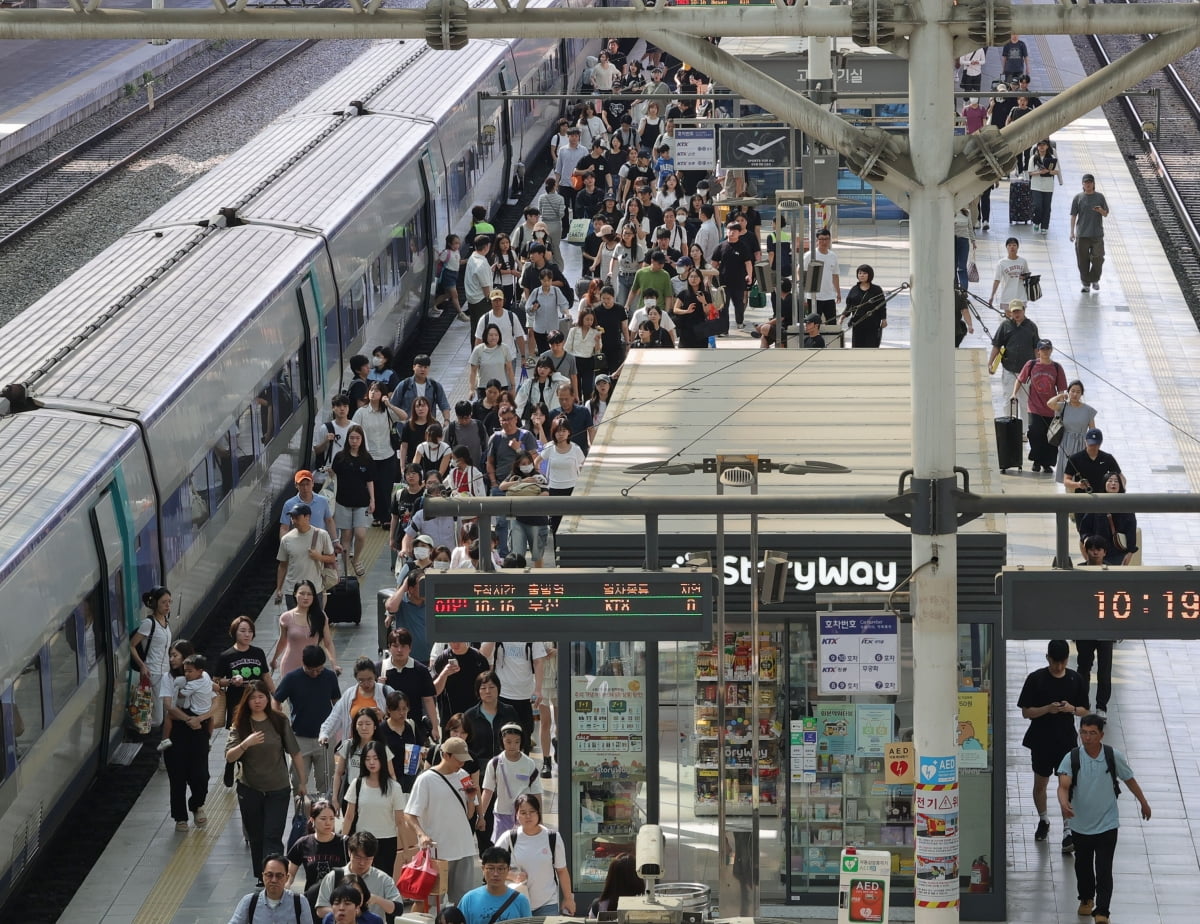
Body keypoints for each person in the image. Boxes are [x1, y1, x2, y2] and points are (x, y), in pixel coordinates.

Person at [1057, 714, 1151, 924]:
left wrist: (1143, 802)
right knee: (1082, 866)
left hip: (1107, 823)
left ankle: (1103, 911)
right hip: (1080, 824)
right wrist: (1064, 803)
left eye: (1092, 733)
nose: (1087, 737)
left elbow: (1129, 779)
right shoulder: (1072, 757)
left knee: (1104, 867)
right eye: (1083, 732)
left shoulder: (1112, 755)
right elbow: (1063, 785)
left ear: (1101, 735)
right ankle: (1086, 897)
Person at [227, 680, 307, 881]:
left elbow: (295, 753)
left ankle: (276, 875)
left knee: (272, 834)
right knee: (256, 836)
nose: (257, 701)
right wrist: (246, 743)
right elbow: (229, 756)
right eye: (253, 698)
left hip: (278, 788)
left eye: (261, 696)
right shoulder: (240, 724)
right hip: (250, 788)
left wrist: (302, 783)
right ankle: (261, 876)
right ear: (246, 701)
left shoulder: (279, 721)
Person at [1017, 639, 1090, 854]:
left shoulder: (1075, 679)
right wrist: (1047, 709)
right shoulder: (1036, 679)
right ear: (1047, 658)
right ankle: (1044, 819)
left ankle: (1068, 829)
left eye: (1062, 662)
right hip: (1041, 740)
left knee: (1065, 785)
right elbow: (1026, 711)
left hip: (1066, 740)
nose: (1058, 667)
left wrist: (1071, 708)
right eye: (1054, 662)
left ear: (1067, 660)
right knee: (1040, 783)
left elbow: (1086, 710)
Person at [405, 736, 480, 904]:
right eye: (458, 759)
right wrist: (421, 834)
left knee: (462, 902)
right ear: (445, 755)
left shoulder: (464, 776)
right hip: (437, 852)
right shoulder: (426, 779)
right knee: (427, 903)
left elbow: (468, 815)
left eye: (464, 760)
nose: (461, 764)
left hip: (463, 849)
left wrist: (471, 799)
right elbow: (409, 814)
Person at [160, 642, 217, 831]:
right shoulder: (168, 678)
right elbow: (169, 705)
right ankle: (180, 817)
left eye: (175, 655)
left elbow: (215, 701)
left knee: (201, 775)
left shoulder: (203, 677)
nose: (171, 659)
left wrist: (200, 718)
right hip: (178, 729)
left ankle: (197, 804)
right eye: (170, 655)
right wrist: (188, 719)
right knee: (177, 776)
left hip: (198, 729)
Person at [274, 645, 341, 797]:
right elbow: (276, 700)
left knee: (326, 781)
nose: (316, 673)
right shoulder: (292, 678)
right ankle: (301, 816)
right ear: (303, 664)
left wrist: (340, 726)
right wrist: (279, 722)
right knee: (298, 782)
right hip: (299, 738)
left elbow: (337, 702)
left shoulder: (329, 677)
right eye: (311, 670)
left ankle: (323, 815)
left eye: (319, 669)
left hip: (325, 738)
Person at [342, 741, 408, 879]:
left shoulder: (394, 787)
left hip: (387, 842)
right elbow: (349, 816)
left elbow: (400, 821)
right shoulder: (357, 783)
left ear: (383, 760)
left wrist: (406, 850)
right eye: (367, 759)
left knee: (382, 881)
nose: (371, 762)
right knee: (359, 882)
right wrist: (342, 842)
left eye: (376, 758)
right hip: (361, 842)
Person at [500, 794, 575, 915]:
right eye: (523, 812)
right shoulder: (509, 838)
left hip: (547, 904)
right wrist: (512, 876)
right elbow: (489, 866)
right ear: (517, 815)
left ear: (538, 813)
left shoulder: (553, 837)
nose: (528, 816)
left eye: (532, 811)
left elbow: (562, 870)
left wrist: (568, 899)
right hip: (515, 903)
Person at [477, 723, 544, 844]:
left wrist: (540, 818)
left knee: (523, 848)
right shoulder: (495, 763)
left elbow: (536, 792)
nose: (512, 745)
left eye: (517, 742)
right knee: (502, 850)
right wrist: (480, 816)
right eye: (508, 742)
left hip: (525, 815)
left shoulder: (529, 763)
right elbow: (487, 791)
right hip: (502, 814)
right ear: (501, 741)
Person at [1075, 537, 1118, 720]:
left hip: (1105, 629)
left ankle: (1102, 706)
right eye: (1091, 548)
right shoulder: (1077, 571)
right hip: (1085, 628)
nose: (1094, 552)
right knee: (1084, 666)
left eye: (1098, 549)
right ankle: (1083, 703)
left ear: (1104, 552)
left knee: (1104, 669)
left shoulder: (1112, 573)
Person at [314, 832, 401, 921]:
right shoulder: (333, 877)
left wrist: (377, 900)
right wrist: (345, 911)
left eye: (367, 859)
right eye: (358, 858)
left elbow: (398, 909)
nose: (362, 863)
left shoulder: (383, 879)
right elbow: (320, 910)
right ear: (349, 852)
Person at [353, 383, 405, 528]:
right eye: (371, 390)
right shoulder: (361, 413)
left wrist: (389, 404)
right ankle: (376, 515)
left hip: (387, 454)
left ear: (383, 394)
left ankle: (387, 516)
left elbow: (404, 416)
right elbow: (355, 430)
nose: (373, 393)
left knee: (386, 487)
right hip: (369, 456)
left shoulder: (387, 411)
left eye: (377, 391)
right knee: (373, 486)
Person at [478, 646, 546, 755]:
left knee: (524, 737)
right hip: (502, 694)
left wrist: (538, 690)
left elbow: (538, 662)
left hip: (525, 696)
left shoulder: (531, 634)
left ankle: (522, 768)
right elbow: (483, 654)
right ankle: (500, 769)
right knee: (501, 737)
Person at [1014, 338, 1067, 474]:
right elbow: (1020, 379)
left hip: (1051, 408)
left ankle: (1046, 463)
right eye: (1042, 349)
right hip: (1034, 406)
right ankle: (1036, 460)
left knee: (1050, 436)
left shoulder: (1056, 367)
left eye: (1048, 349)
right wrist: (1014, 394)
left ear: (1051, 350)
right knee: (1035, 432)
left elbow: (1061, 388)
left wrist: (1061, 402)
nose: (1045, 352)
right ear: (1038, 351)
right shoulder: (1031, 364)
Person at [287, 799, 348, 914]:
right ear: (312, 820)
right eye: (323, 819)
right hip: (311, 901)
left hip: (339, 903)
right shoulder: (303, 843)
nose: (328, 823)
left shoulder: (344, 843)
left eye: (331, 818)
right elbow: (289, 875)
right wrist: (285, 889)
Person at [379, 627, 439, 740]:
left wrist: (434, 727)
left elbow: (428, 700)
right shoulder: (380, 669)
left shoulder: (421, 670)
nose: (399, 650)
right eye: (395, 646)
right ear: (389, 647)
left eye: (403, 646)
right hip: (387, 730)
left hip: (415, 730)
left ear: (410, 648)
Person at [319, 657, 394, 749]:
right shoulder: (349, 695)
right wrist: (324, 733)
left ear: (375, 675)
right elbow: (335, 716)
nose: (366, 684)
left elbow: (399, 718)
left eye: (370, 679)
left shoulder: (386, 692)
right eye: (361, 680)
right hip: (354, 749)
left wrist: (384, 717)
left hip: (378, 748)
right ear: (356, 678)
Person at [987, 300, 1039, 432]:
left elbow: (1036, 348)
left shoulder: (1031, 327)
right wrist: (990, 362)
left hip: (1026, 371)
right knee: (1008, 398)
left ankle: (1024, 430)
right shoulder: (1005, 326)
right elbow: (997, 345)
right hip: (1009, 369)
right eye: (1014, 311)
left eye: (1018, 311)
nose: (1016, 314)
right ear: (1010, 312)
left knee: (1024, 401)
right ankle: (1008, 428)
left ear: (1023, 310)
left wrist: (1038, 366)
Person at [272, 580, 339, 679]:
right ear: (295, 594)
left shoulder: (320, 616)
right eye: (302, 593)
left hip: (313, 668)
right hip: (290, 666)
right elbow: (282, 641)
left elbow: (328, 643)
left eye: (309, 594)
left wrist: (334, 664)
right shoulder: (286, 617)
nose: (306, 597)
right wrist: (274, 659)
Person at [331, 425, 375, 576]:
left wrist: (372, 499)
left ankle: (356, 559)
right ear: (347, 439)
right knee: (346, 536)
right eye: (352, 438)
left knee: (361, 534)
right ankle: (344, 568)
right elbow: (333, 475)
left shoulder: (367, 458)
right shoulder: (340, 457)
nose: (354, 441)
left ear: (362, 440)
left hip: (361, 502)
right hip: (343, 502)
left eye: (357, 438)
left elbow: (370, 480)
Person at [274, 505, 337, 611]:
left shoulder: (322, 535)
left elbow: (332, 558)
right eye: (292, 517)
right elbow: (282, 566)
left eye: (296, 517)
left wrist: (319, 557)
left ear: (307, 517)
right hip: (292, 591)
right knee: (295, 625)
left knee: (314, 624)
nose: (293, 521)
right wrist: (279, 588)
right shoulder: (286, 539)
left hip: (314, 589)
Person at [217, 615, 274, 729]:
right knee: (239, 732)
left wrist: (276, 697)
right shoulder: (226, 656)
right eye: (242, 631)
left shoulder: (259, 653)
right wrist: (231, 681)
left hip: (258, 700)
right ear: (234, 632)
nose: (247, 634)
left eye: (250, 631)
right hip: (237, 701)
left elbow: (266, 676)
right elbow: (216, 681)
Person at [130, 586, 173, 727]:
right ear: (155, 604)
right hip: (152, 674)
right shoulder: (149, 624)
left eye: (169, 602)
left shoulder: (166, 623)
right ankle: (146, 737)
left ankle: (157, 742)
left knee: (166, 713)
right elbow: (132, 645)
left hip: (165, 674)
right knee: (157, 718)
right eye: (163, 602)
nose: (167, 606)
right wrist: (142, 665)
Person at [228, 854, 314, 924]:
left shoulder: (300, 902)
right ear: (263, 876)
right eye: (269, 875)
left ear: (287, 878)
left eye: (279, 876)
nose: (274, 880)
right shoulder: (249, 901)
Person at [458, 846, 532, 924]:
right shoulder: (469, 899)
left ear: (508, 870)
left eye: (500, 869)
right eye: (490, 868)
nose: (495, 874)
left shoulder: (520, 901)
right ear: (483, 869)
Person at [157, 652, 213, 754]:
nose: (186, 674)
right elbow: (215, 687)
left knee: (169, 716)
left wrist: (177, 687)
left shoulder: (192, 684)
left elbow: (181, 695)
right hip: (206, 710)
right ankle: (208, 739)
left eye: (189, 671)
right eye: (185, 671)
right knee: (211, 718)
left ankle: (165, 739)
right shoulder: (206, 676)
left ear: (200, 671)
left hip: (195, 711)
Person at [1078, 473, 1138, 567]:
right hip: (1097, 551)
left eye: (1116, 481)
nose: (1113, 483)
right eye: (1110, 481)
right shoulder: (1096, 504)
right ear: (1104, 484)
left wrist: (1130, 552)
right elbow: (1085, 528)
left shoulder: (1126, 506)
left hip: (1117, 553)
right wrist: (1087, 541)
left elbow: (1131, 531)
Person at [1047, 380, 1097, 485]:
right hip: (1066, 443)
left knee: (1081, 472)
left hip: (1081, 444)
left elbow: (1092, 431)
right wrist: (1060, 395)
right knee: (1068, 474)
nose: (1075, 394)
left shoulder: (1088, 410)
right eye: (1072, 391)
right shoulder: (1063, 406)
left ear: (1081, 394)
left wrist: (1092, 448)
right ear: (1068, 392)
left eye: (1078, 392)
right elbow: (1050, 403)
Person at [432, 644, 491, 730]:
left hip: (474, 717)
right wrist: (444, 674)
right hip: (449, 717)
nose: (455, 643)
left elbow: (487, 689)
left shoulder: (478, 659)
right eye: (451, 640)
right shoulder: (443, 658)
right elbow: (434, 692)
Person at [1069, 174, 1110, 293]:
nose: (1088, 184)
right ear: (1082, 184)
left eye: (1090, 182)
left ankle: (1095, 279)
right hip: (1082, 234)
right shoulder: (1078, 198)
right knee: (1082, 260)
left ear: (1093, 184)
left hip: (1097, 234)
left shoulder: (1100, 197)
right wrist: (1072, 232)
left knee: (1098, 258)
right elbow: (1073, 215)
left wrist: (1100, 210)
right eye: (1086, 182)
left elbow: (1106, 213)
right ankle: (1086, 283)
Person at [711, 222, 752, 334]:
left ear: (739, 233)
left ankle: (740, 322)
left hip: (739, 282)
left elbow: (748, 263)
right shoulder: (721, 246)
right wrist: (709, 278)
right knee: (724, 306)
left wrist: (750, 275)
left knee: (739, 304)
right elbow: (714, 263)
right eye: (730, 230)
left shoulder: (743, 247)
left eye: (734, 230)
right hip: (724, 282)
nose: (732, 232)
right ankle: (724, 329)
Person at [391, 354, 451, 425]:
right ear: (414, 367)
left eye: (425, 367)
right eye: (420, 366)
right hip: (407, 427)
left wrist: (446, 420)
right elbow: (393, 405)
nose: (423, 369)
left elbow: (444, 405)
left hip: (429, 427)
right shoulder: (404, 385)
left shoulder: (435, 386)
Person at [1064, 428, 1125, 496]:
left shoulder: (1108, 458)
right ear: (1085, 441)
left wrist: (1120, 492)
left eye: (1096, 444)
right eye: (1091, 444)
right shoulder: (1075, 458)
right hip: (1082, 496)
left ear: (1101, 442)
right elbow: (1066, 481)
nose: (1093, 447)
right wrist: (1078, 485)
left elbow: (1121, 477)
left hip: (1103, 496)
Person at [281, 470, 337, 543]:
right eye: (302, 484)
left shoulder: (323, 501)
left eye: (308, 484)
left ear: (313, 483)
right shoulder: (289, 504)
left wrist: (335, 541)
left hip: (319, 543)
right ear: (296, 485)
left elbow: (329, 521)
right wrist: (284, 545)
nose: (305, 488)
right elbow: (284, 528)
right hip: (298, 543)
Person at [840, 264, 886, 348]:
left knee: (871, 346)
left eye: (864, 273)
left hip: (872, 324)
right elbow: (849, 306)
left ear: (870, 275)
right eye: (860, 273)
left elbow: (882, 306)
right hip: (858, 323)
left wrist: (884, 319)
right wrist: (843, 315)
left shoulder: (876, 289)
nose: (862, 275)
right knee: (857, 347)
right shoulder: (854, 289)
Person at [802, 228, 841, 324]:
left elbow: (835, 275)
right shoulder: (810, 255)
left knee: (831, 322)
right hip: (814, 296)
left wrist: (838, 292)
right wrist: (803, 290)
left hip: (829, 296)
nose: (824, 242)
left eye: (826, 239)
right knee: (814, 324)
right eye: (821, 239)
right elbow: (800, 271)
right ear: (817, 240)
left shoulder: (833, 256)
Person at [988, 238, 1030, 317]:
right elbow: (997, 280)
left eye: (1014, 245)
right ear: (1006, 247)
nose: (1012, 247)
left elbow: (1027, 275)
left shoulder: (1023, 261)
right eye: (1009, 245)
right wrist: (992, 296)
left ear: (1018, 247)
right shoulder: (1001, 263)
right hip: (1007, 296)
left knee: (1020, 319)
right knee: (1009, 322)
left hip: (1020, 295)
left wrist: (1024, 277)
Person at [548, 382, 592, 456]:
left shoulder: (583, 411)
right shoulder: (553, 414)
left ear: (573, 396)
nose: (564, 402)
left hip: (580, 452)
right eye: (561, 399)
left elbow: (591, 430)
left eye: (566, 399)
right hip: (560, 453)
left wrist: (592, 447)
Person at [1029, 139, 1061, 234]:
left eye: (1044, 145)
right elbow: (1030, 173)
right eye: (1040, 145)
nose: (1041, 147)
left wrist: (1049, 171)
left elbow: (1057, 171)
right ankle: (1036, 221)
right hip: (1036, 186)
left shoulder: (1051, 158)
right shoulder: (1033, 158)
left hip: (1048, 186)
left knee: (1047, 207)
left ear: (1047, 146)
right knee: (1037, 206)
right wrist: (1040, 172)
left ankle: (1044, 226)